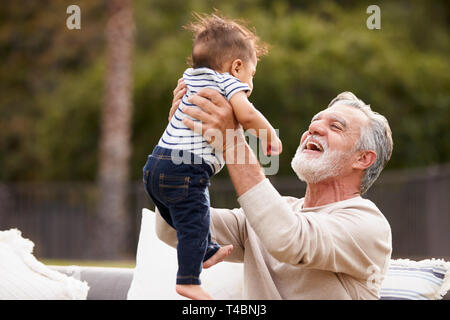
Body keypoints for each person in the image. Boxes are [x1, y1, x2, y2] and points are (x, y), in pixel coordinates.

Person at [155, 86, 394, 299]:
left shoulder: (368, 224)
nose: (314, 128)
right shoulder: (271, 214)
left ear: (363, 158)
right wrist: (181, 140)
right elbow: (172, 228)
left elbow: (288, 240)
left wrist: (232, 140)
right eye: (315, 121)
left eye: (335, 126)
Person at [142, 13, 281, 300]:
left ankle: (207, 248)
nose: (249, 84)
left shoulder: (190, 78)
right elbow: (247, 114)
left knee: (186, 219)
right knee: (195, 218)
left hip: (155, 165)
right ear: (237, 66)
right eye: (251, 76)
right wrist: (270, 137)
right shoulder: (229, 83)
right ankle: (189, 280)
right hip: (186, 170)